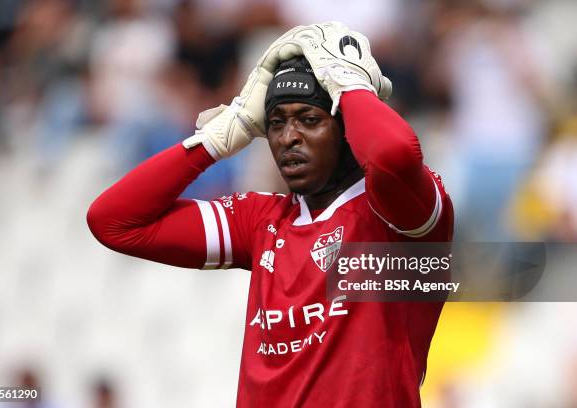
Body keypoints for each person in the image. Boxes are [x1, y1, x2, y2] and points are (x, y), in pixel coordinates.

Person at [87, 22, 454, 407]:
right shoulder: (262, 220)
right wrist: (215, 140)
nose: (287, 137)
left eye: (309, 120)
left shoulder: (396, 214)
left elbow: (393, 154)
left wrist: (349, 86)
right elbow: (112, 221)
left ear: (348, 128)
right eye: (276, 122)